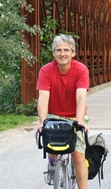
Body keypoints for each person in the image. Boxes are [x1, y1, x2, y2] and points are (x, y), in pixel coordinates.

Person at [35, 34, 89, 189]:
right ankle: (52, 164)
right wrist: (42, 122)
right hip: (53, 114)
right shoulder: (46, 70)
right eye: (58, 50)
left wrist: (79, 122)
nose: (62, 53)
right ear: (54, 53)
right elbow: (43, 98)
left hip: (75, 115)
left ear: (73, 52)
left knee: (78, 156)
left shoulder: (81, 70)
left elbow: (80, 97)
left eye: (66, 50)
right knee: (52, 147)